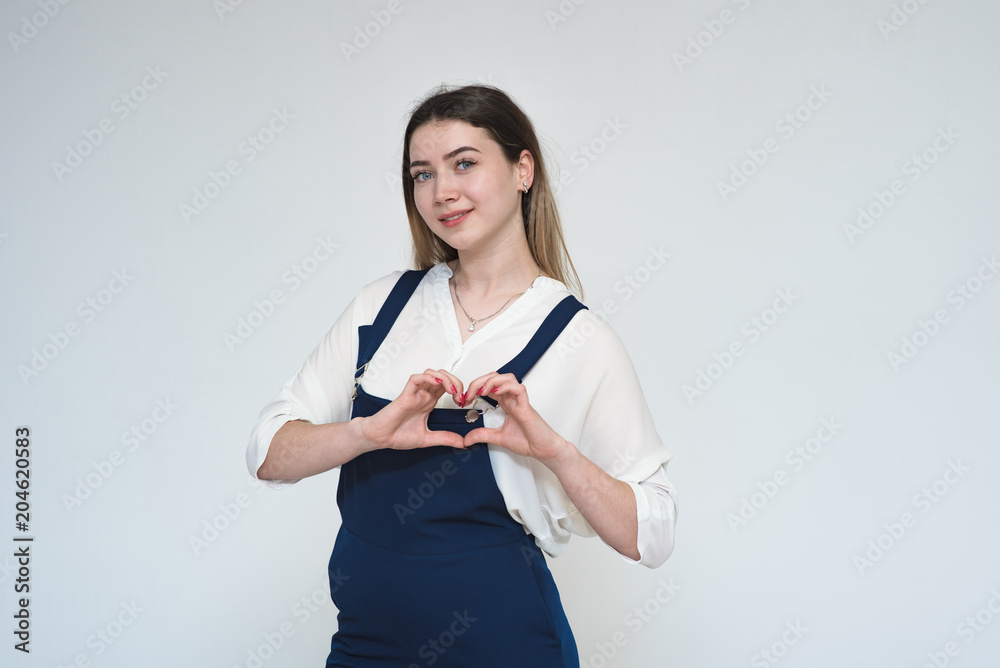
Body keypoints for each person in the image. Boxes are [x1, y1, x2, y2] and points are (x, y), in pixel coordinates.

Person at [246, 83, 677, 667]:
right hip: (367, 647)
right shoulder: (382, 307)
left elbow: (650, 535)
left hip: (506, 645)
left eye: (464, 164)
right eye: (422, 174)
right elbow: (268, 453)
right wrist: (367, 433)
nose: (442, 191)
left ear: (522, 169)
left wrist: (555, 453)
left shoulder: (579, 339)